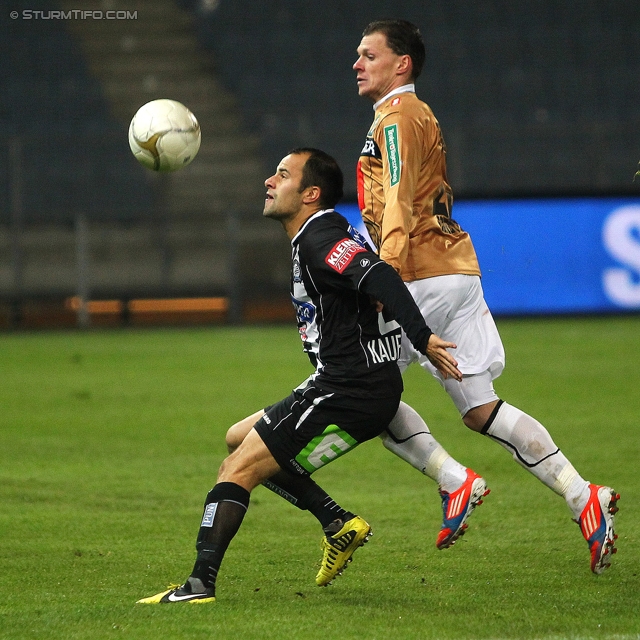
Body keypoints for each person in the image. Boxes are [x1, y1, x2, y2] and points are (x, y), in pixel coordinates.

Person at [350, 19, 619, 574]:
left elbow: (397, 196)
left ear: (401, 64)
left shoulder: (398, 116)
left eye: (369, 55)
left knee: (359, 386)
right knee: (479, 408)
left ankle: (455, 481)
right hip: (455, 271)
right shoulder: (417, 115)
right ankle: (580, 494)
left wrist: (388, 275)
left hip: (418, 275)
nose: (358, 64)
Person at [137, 147, 463, 603]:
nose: (269, 181)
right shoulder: (317, 235)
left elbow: (380, 277)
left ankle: (198, 585)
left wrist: (424, 337)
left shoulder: (319, 238)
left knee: (237, 469)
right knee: (238, 438)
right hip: (347, 382)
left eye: (282, 175)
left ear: (310, 194)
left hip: (349, 389)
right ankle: (336, 523)